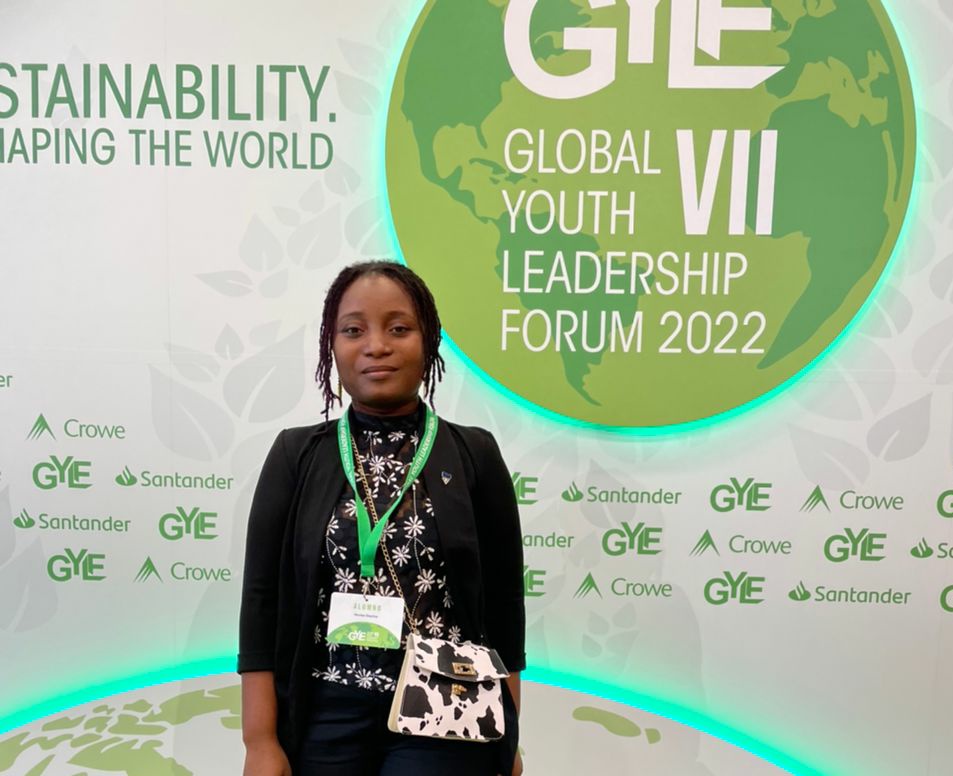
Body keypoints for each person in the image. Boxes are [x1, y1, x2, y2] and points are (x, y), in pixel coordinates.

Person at [238, 260, 526, 776]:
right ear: (331, 345)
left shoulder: (475, 455)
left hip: (446, 704)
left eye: (398, 328)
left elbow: (504, 608)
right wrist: (259, 740)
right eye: (354, 330)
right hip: (324, 711)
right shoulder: (296, 455)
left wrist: (506, 730)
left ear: (428, 342)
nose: (376, 346)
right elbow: (262, 603)